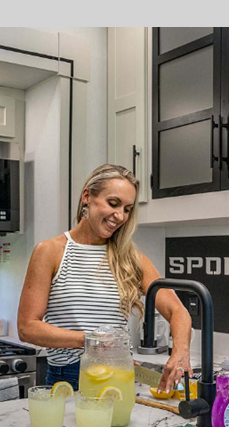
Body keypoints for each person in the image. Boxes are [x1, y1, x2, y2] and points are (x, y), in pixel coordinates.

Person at [18, 164, 192, 392]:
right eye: (113, 203)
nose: (120, 216)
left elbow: (178, 311)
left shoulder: (130, 259)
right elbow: (27, 327)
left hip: (119, 377)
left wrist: (181, 352)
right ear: (87, 196)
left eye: (127, 209)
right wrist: (92, 340)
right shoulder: (50, 252)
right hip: (70, 378)